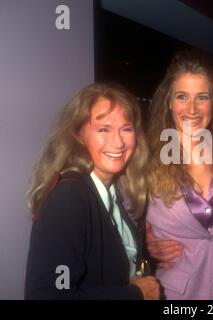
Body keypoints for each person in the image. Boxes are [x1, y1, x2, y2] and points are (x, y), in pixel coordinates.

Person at [25, 83, 161, 299]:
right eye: (103, 129)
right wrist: (135, 294)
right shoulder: (69, 198)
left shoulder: (109, 192)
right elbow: (51, 295)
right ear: (78, 135)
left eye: (126, 129)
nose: (118, 142)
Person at [145, 49, 213, 299]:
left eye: (202, 97)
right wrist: (144, 246)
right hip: (175, 296)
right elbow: (118, 227)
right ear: (168, 102)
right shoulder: (144, 162)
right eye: (182, 96)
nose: (192, 109)